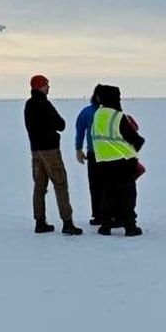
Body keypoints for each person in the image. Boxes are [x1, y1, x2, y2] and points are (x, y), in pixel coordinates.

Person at [24, 75, 82, 235]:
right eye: (47, 85)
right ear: (41, 87)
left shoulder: (28, 105)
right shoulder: (44, 104)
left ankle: (40, 221)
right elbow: (61, 124)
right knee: (60, 184)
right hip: (50, 150)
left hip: (36, 150)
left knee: (39, 186)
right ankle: (67, 222)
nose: (49, 88)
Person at [91, 84, 145, 236]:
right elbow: (133, 138)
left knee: (108, 195)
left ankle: (105, 226)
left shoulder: (98, 114)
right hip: (123, 162)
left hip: (102, 161)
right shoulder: (117, 116)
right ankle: (130, 227)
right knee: (127, 195)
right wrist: (139, 141)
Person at [73, 90, 102, 226]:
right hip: (102, 154)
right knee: (103, 185)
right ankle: (102, 215)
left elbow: (80, 131)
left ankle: (99, 215)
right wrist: (78, 148)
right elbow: (80, 130)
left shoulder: (87, 112)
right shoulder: (90, 112)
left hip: (97, 154)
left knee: (96, 185)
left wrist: (78, 149)